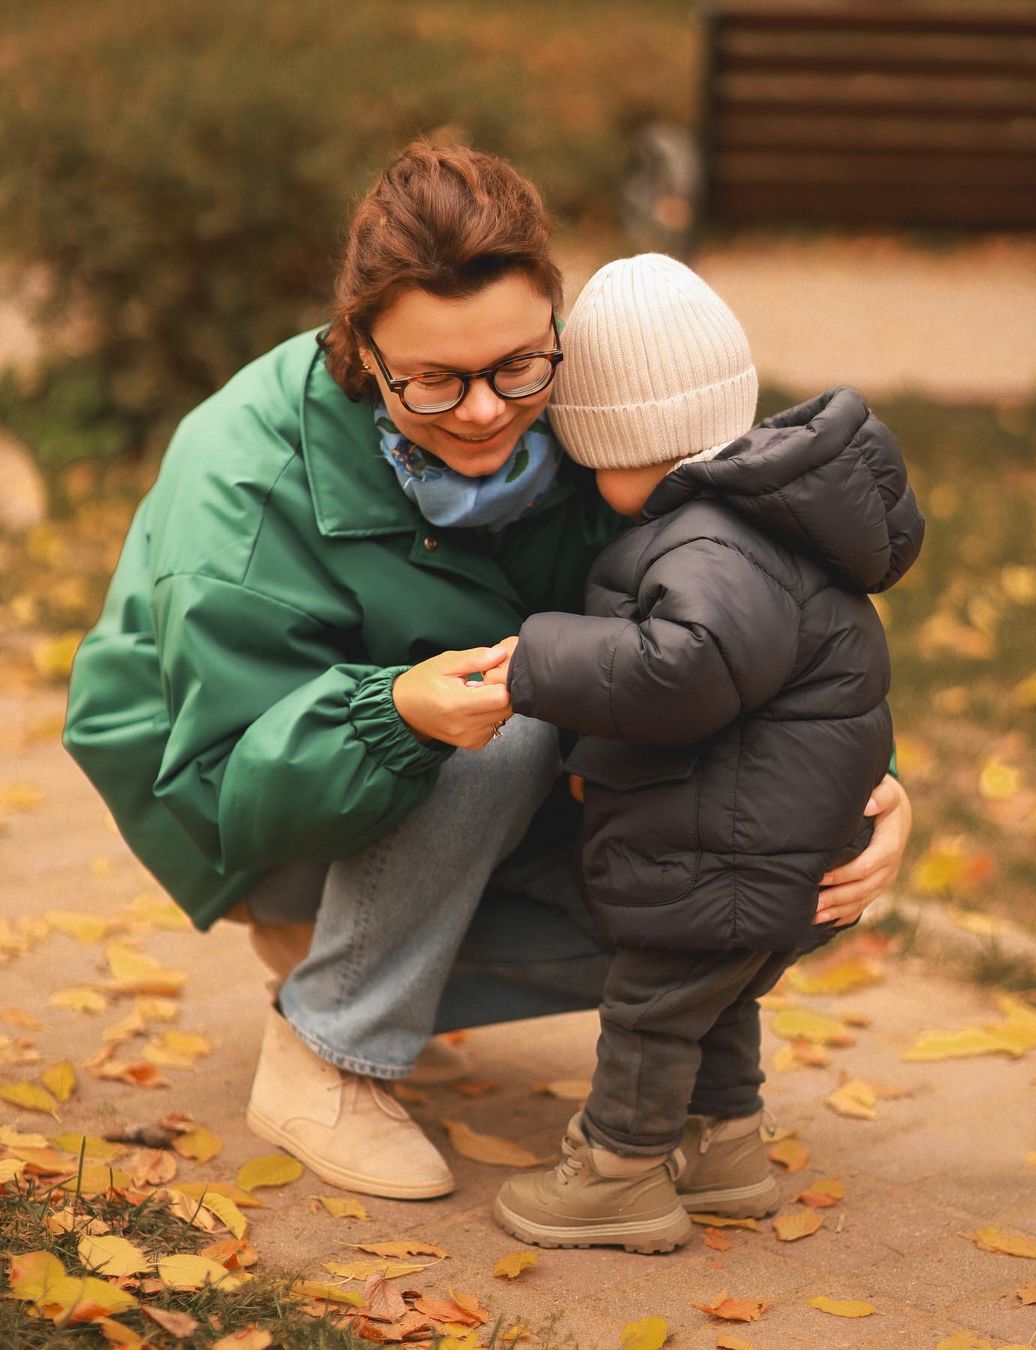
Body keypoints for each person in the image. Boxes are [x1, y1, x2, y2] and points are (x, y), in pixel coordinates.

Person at [63, 142, 913, 1203]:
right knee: (505, 728)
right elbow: (227, 788)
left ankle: (383, 963)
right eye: (432, 380)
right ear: (358, 351)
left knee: (772, 876)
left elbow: (740, 611)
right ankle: (324, 1042)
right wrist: (393, 710)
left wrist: (864, 782)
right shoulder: (246, 477)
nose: (482, 412)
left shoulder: (594, 414)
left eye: (516, 366)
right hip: (248, 796)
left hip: (491, 771)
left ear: (556, 330)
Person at [489, 254, 924, 1252]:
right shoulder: (758, 527)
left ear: (626, 442)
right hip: (766, 838)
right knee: (710, 1002)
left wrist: (538, 656)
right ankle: (724, 1152)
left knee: (650, 1008)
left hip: (729, 843)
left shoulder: (707, 545)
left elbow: (684, 673)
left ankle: (617, 1176)